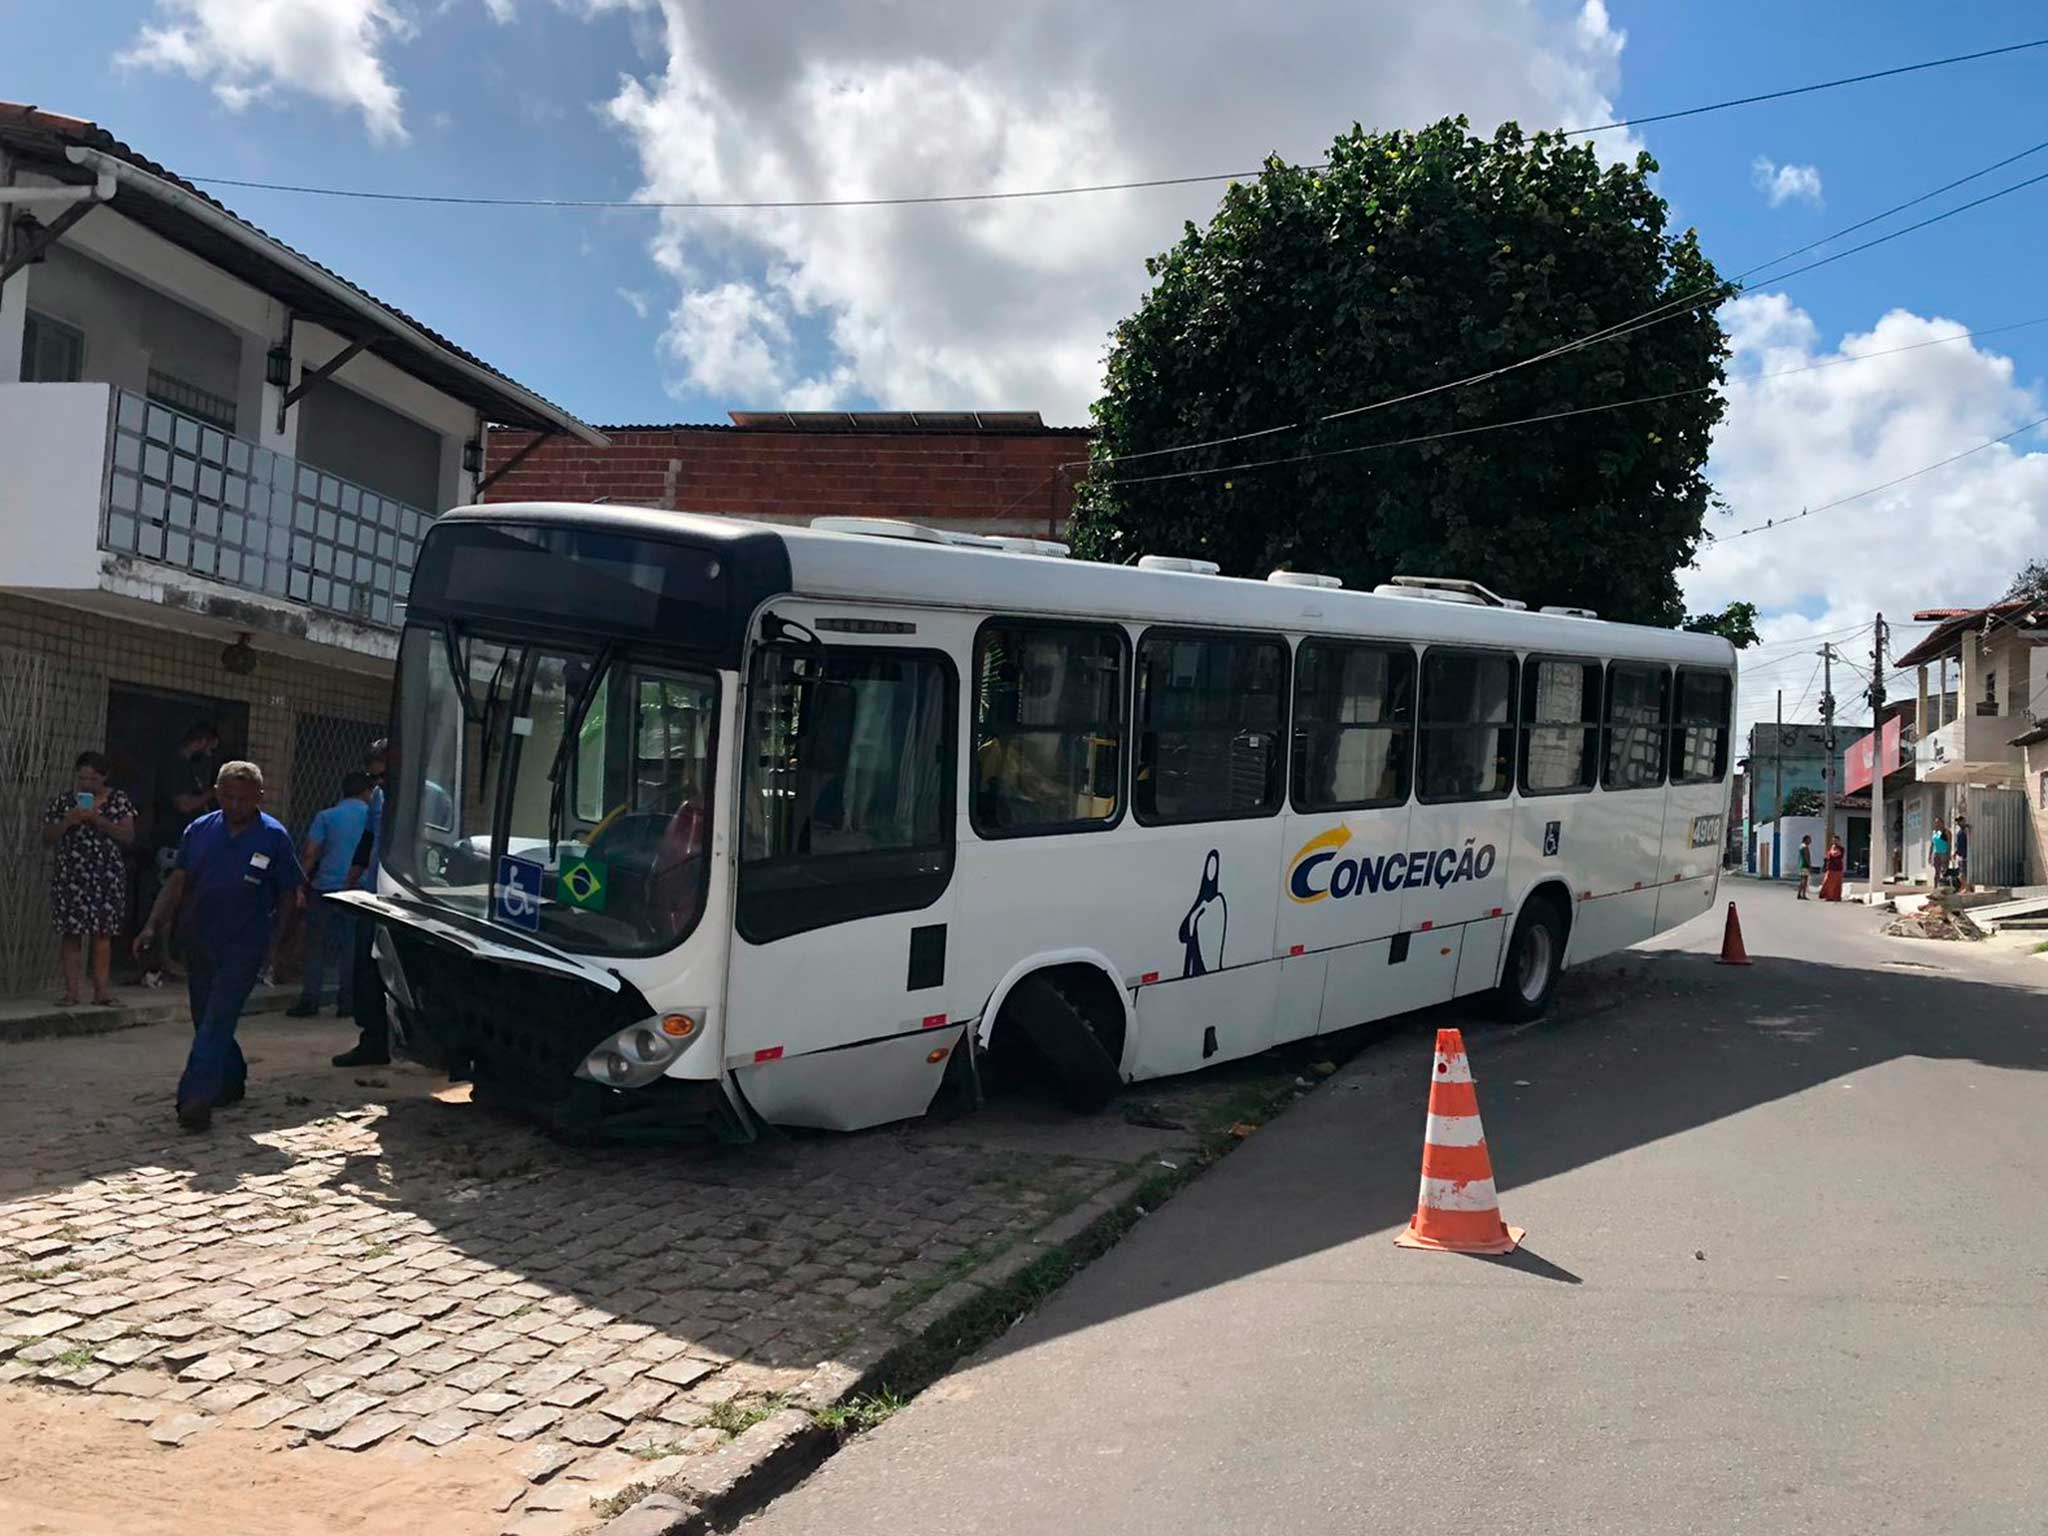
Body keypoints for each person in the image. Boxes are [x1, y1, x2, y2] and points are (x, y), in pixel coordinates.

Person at [134, 761, 305, 1131]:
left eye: (243, 799)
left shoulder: (273, 837)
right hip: (199, 938)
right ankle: (231, 1078)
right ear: (216, 793)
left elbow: (290, 895)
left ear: (259, 797)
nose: (234, 805)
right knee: (205, 1018)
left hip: (245, 942)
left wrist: (278, 945)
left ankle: (195, 1098)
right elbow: (177, 882)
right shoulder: (199, 830)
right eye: (227, 797)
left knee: (218, 1017)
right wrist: (152, 925)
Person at [41, 751, 137, 1007]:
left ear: (104, 777)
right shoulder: (64, 802)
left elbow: (127, 835)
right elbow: (47, 837)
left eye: (93, 779)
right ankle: (72, 992)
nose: (86, 784)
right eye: (82, 778)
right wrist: (68, 821)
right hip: (72, 874)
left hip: (105, 874)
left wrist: (97, 819)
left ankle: (101, 991)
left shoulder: (118, 800)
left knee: (103, 933)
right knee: (71, 933)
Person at [288, 771, 376, 1018]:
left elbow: (310, 853)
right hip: (358, 890)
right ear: (366, 792)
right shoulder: (373, 818)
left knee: (315, 945)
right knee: (351, 948)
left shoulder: (326, 816)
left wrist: (300, 884)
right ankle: (346, 1002)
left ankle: (310, 1000)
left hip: (325, 887)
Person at [147, 721, 220, 982]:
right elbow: (184, 804)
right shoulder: (176, 766)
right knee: (168, 899)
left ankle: (176, 956)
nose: (209, 755)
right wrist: (213, 793)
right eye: (209, 748)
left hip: (188, 844)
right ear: (200, 742)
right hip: (171, 843)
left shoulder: (190, 768)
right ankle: (162, 958)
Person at [334, 741, 391, 1069]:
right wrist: (350, 882)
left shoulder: (430, 796)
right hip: (374, 894)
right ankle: (373, 1040)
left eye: (383, 774)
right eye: (373, 777)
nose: (377, 782)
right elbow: (367, 841)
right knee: (365, 969)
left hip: (406, 896)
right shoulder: (379, 797)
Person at [1819, 835, 1846, 902]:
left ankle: (1835, 897)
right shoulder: (1832, 847)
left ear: (1839, 841)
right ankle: (1828, 896)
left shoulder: (1841, 848)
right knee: (1827, 882)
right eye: (1833, 841)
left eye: (1836, 840)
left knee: (1836, 883)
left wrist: (1831, 851)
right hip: (1830, 867)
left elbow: (1835, 854)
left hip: (1838, 868)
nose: (1834, 842)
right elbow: (1828, 856)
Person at [1951, 812, 1971, 893]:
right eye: (1958, 821)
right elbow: (1959, 844)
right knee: (1962, 872)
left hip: (1966, 855)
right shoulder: (1960, 832)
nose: (1958, 823)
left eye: (1960, 821)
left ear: (1964, 821)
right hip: (1961, 855)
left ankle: (1966, 888)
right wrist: (1955, 853)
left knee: (1963, 873)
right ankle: (1965, 887)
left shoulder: (1966, 830)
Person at [1930, 822, 1951, 889]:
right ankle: (1935, 887)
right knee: (1937, 872)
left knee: (1944, 871)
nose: (1937, 824)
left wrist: (1948, 854)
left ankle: (1944, 887)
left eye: (1938, 823)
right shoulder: (1934, 833)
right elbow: (1932, 844)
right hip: (1936, 854)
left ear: (1942, 823)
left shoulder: (1946, 832)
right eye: (1936, 823)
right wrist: (1930, 855)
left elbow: (1949, 844)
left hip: (1944, 853)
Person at [1795, 833, 1813, 900]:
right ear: (1806, 840)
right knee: (1804, 881)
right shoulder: (1805, 847)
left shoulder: (1801, 846)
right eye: (1809, 840)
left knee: (1802, 880)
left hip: (1801, 864)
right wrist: (1809, 865)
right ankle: (1803, 895)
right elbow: (1806, 857)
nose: (1810, 841)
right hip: (1805, 865)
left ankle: (1799, 894)